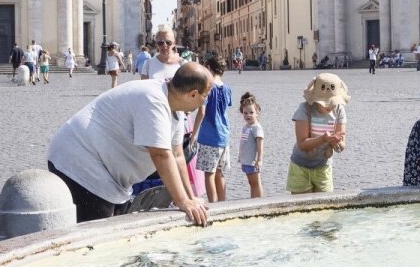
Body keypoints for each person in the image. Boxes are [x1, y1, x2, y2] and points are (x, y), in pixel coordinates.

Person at [46, 62, 212, 225]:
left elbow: (177, 155)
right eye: (206, 95)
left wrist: (190, 198)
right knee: (99, 236)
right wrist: (182, 201)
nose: (205, 101)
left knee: (116, 230)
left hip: (107, 174)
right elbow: (161, 154)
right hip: (80, 164)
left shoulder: (175, 106)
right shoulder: (154, 100)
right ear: (193, 94)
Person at [288, 73, 350, 195]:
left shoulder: (339, 110)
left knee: (324, 211)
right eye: (325, 102)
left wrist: (336, 142)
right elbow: (302, 144)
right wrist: (323, 139)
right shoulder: (305, 109)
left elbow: (342, 146)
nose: (329, 105)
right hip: (301, 166)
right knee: (302, 209)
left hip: (323, 167)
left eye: (332, 102)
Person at [195, 56, 233, 202]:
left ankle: (213, 204)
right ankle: (222, 203)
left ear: (209, 69)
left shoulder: (208, 89)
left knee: (209, 174)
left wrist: (193, 134)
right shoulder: (227, 89)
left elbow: (202, 112)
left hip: (209, 136)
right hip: (224, 136)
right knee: (219, 172)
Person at [238, 92, 265, 198]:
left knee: (256, 183)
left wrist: (259, 160)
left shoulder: (256, 127)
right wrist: (241, 157)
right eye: (245, 113)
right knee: (251, 183)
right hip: (246, 161)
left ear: (257, 113)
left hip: (253, 162)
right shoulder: (246, 127)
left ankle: (259, 202)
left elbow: (260, 145)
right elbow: (244, 144)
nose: (248, 115)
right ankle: (253, 200)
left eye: (251, 112)